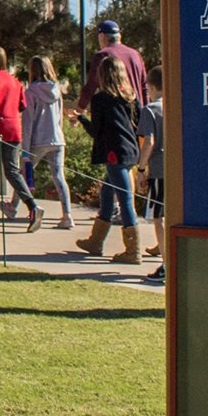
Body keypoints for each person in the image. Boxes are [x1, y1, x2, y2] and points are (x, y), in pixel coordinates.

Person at [73, 56, 143, 263]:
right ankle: (96, 241)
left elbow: (97, 131)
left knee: (125, 201)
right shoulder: (130, 97)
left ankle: (133, 250)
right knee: (107, 192)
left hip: (114, 153)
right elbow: (137, 124)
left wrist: (81, 118)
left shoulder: (101, 99)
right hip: (130, 151)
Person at [0, 46, 40, 232]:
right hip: (13, 129)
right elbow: (22, 105)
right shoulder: (15, 81)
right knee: (12, 171)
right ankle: (32, 206)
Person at [16, 56, 74, 228]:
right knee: (59, 177)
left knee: (22, 175)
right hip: (56, 138)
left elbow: (27, 123)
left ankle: (13, 207)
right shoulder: (56, 91)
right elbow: (60, 117)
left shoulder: (30, 93)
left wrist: (25, 150)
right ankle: (67, 215)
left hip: (38, 141)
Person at [77, 18, 149, 115]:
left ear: (102, 36)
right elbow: (144, 86)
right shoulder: (135, 54)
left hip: (117, 113)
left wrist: (79, 110)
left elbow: (91, 86)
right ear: (119, 36)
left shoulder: (103, 55)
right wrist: (145, 113)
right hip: (138, 112)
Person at [136, 66, 168, 280]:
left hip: (159, 169)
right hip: (177, 170)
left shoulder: (150, 110)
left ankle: (166, 264)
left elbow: (149, 141)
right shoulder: (176, 105)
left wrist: (140, 169)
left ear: (152, 86)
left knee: (160, 217)